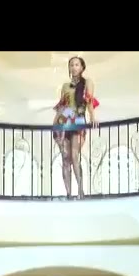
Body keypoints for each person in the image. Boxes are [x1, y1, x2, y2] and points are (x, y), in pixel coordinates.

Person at [51, 56, 99, 199]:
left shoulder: (87, 82)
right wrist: (55, 124)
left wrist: (92, 117)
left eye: (77, 65)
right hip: (64, 121)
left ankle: (80, 190)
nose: (74, 67)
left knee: (74, 156)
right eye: (71, 65)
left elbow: (89, 101)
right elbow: (62, 106)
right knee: (65, 158)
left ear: (82, 67)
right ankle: (68, 194)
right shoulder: (65, 86)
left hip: (78, 121)